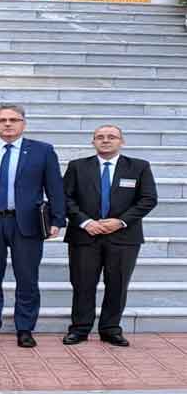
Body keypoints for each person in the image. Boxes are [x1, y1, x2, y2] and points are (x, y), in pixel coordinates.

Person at [0, 104, 65, 348]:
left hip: (27, 224)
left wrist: (57, 219)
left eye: (13, 119)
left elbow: (55, 187)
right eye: (2, 120)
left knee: (27, 278)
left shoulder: (42, 151)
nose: (8, 124)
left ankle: (25, 329)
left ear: (24, 123)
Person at [62, 125, 157, 347]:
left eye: (111, 137)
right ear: (93, 141)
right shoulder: (78, 167)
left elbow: (148, 199)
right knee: (83, 284)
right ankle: (79, 329)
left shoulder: (139, 167)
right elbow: (65, 198)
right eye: (100, 137)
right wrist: (85, 222)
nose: (106, 140)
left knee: (118, 284)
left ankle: (111, 329)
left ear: (121, 141)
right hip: (85, 236)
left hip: (124, 237)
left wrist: (120, 221)